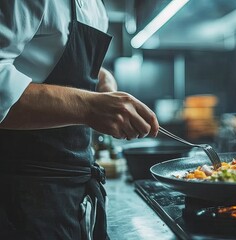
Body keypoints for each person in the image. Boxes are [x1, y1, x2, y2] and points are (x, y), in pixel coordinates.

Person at [0, 1, 159, 239]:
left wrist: (100, 78)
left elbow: (45, 60)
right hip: (17, 195)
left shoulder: (97, 7)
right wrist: (88, 105)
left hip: (72, 193)